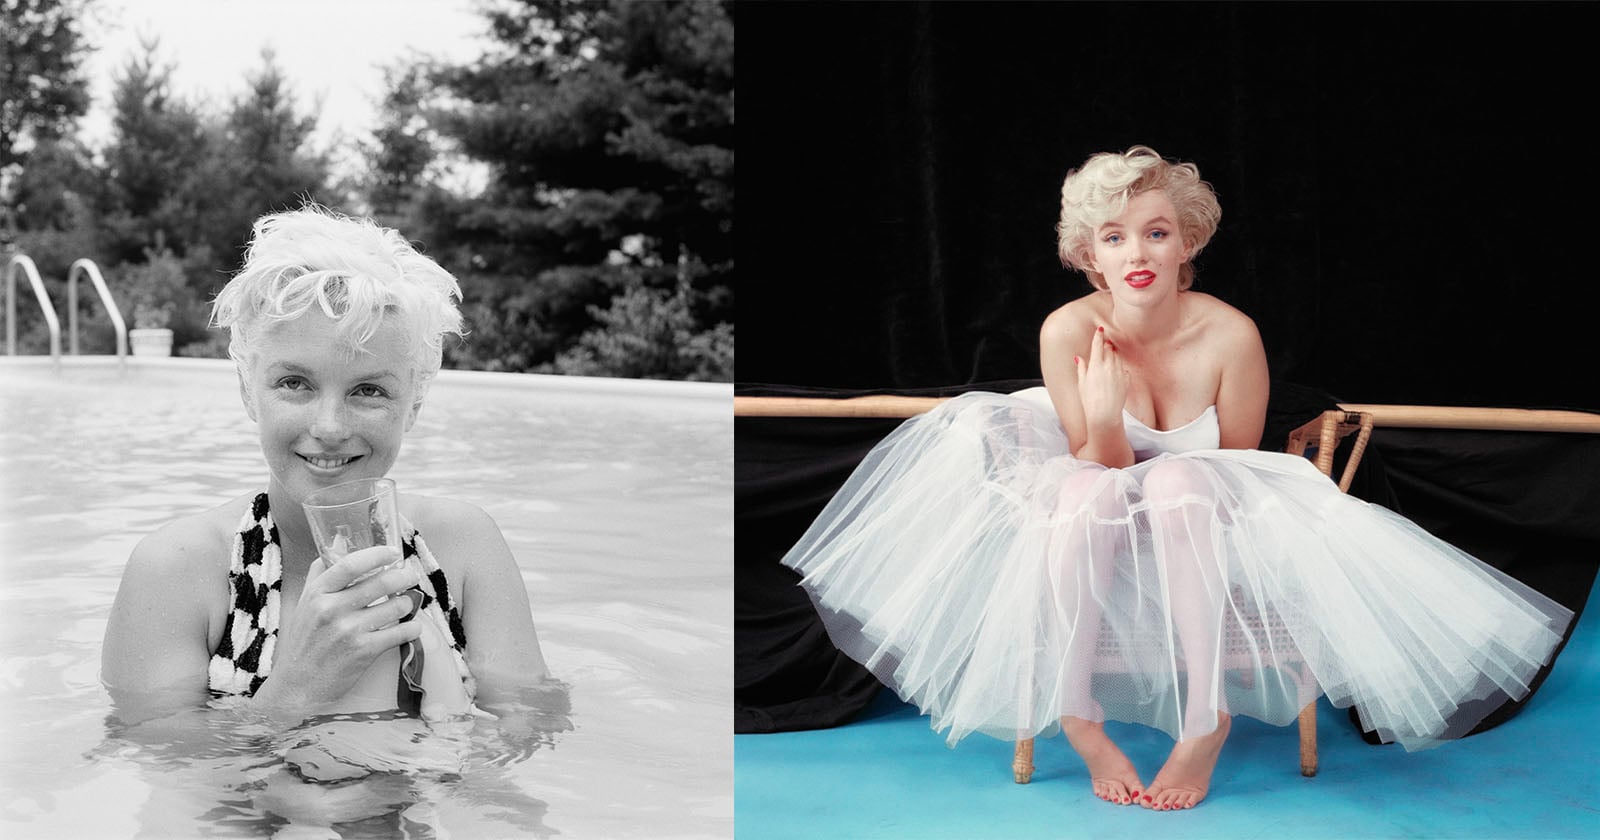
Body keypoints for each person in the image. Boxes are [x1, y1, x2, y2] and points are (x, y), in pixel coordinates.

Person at [781, 146, 1573, 811]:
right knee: (1090, 488)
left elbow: (1234, 468)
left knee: (1179, 484)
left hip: (1208, 507)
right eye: (1115, 238)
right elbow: (1097, 468)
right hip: (1094, 498)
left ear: (1185, 243)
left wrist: (1143, 461)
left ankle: (1205, 720)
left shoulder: (1231, 336)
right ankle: (1078, 714)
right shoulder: (1068, 331)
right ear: (1088, 255)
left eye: (1156, 233)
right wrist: (1100, 417)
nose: (1137, 255)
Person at [102, 206, 551, 727]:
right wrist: (298, 689)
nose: (331, 425)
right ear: (249, 391)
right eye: (295, 383)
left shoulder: (466, 548)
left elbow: (533, 735)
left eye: (369, 390)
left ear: (415, 404)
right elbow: (154, 761)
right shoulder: (177, 570)